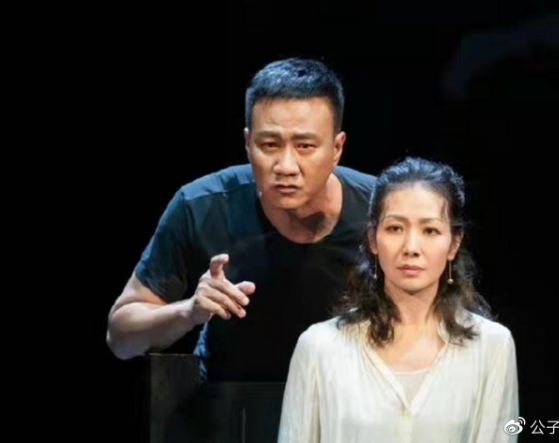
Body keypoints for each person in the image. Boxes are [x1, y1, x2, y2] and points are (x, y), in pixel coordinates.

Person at [106, 58, 375, 384]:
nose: (286, 166)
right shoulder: (201, 206)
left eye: (305, 146)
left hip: (348, 403)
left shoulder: (382, 211)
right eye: (270, 145)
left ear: (337, 148)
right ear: (248, 143)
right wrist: (189, 311)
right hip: (231, 402)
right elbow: (120, 338)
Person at [278, 157, 519, 442]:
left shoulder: (491, 346)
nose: (411, 247)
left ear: (453, 244)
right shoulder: (320, 347)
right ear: (373, 239)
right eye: (395, 228)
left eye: (430, 230)